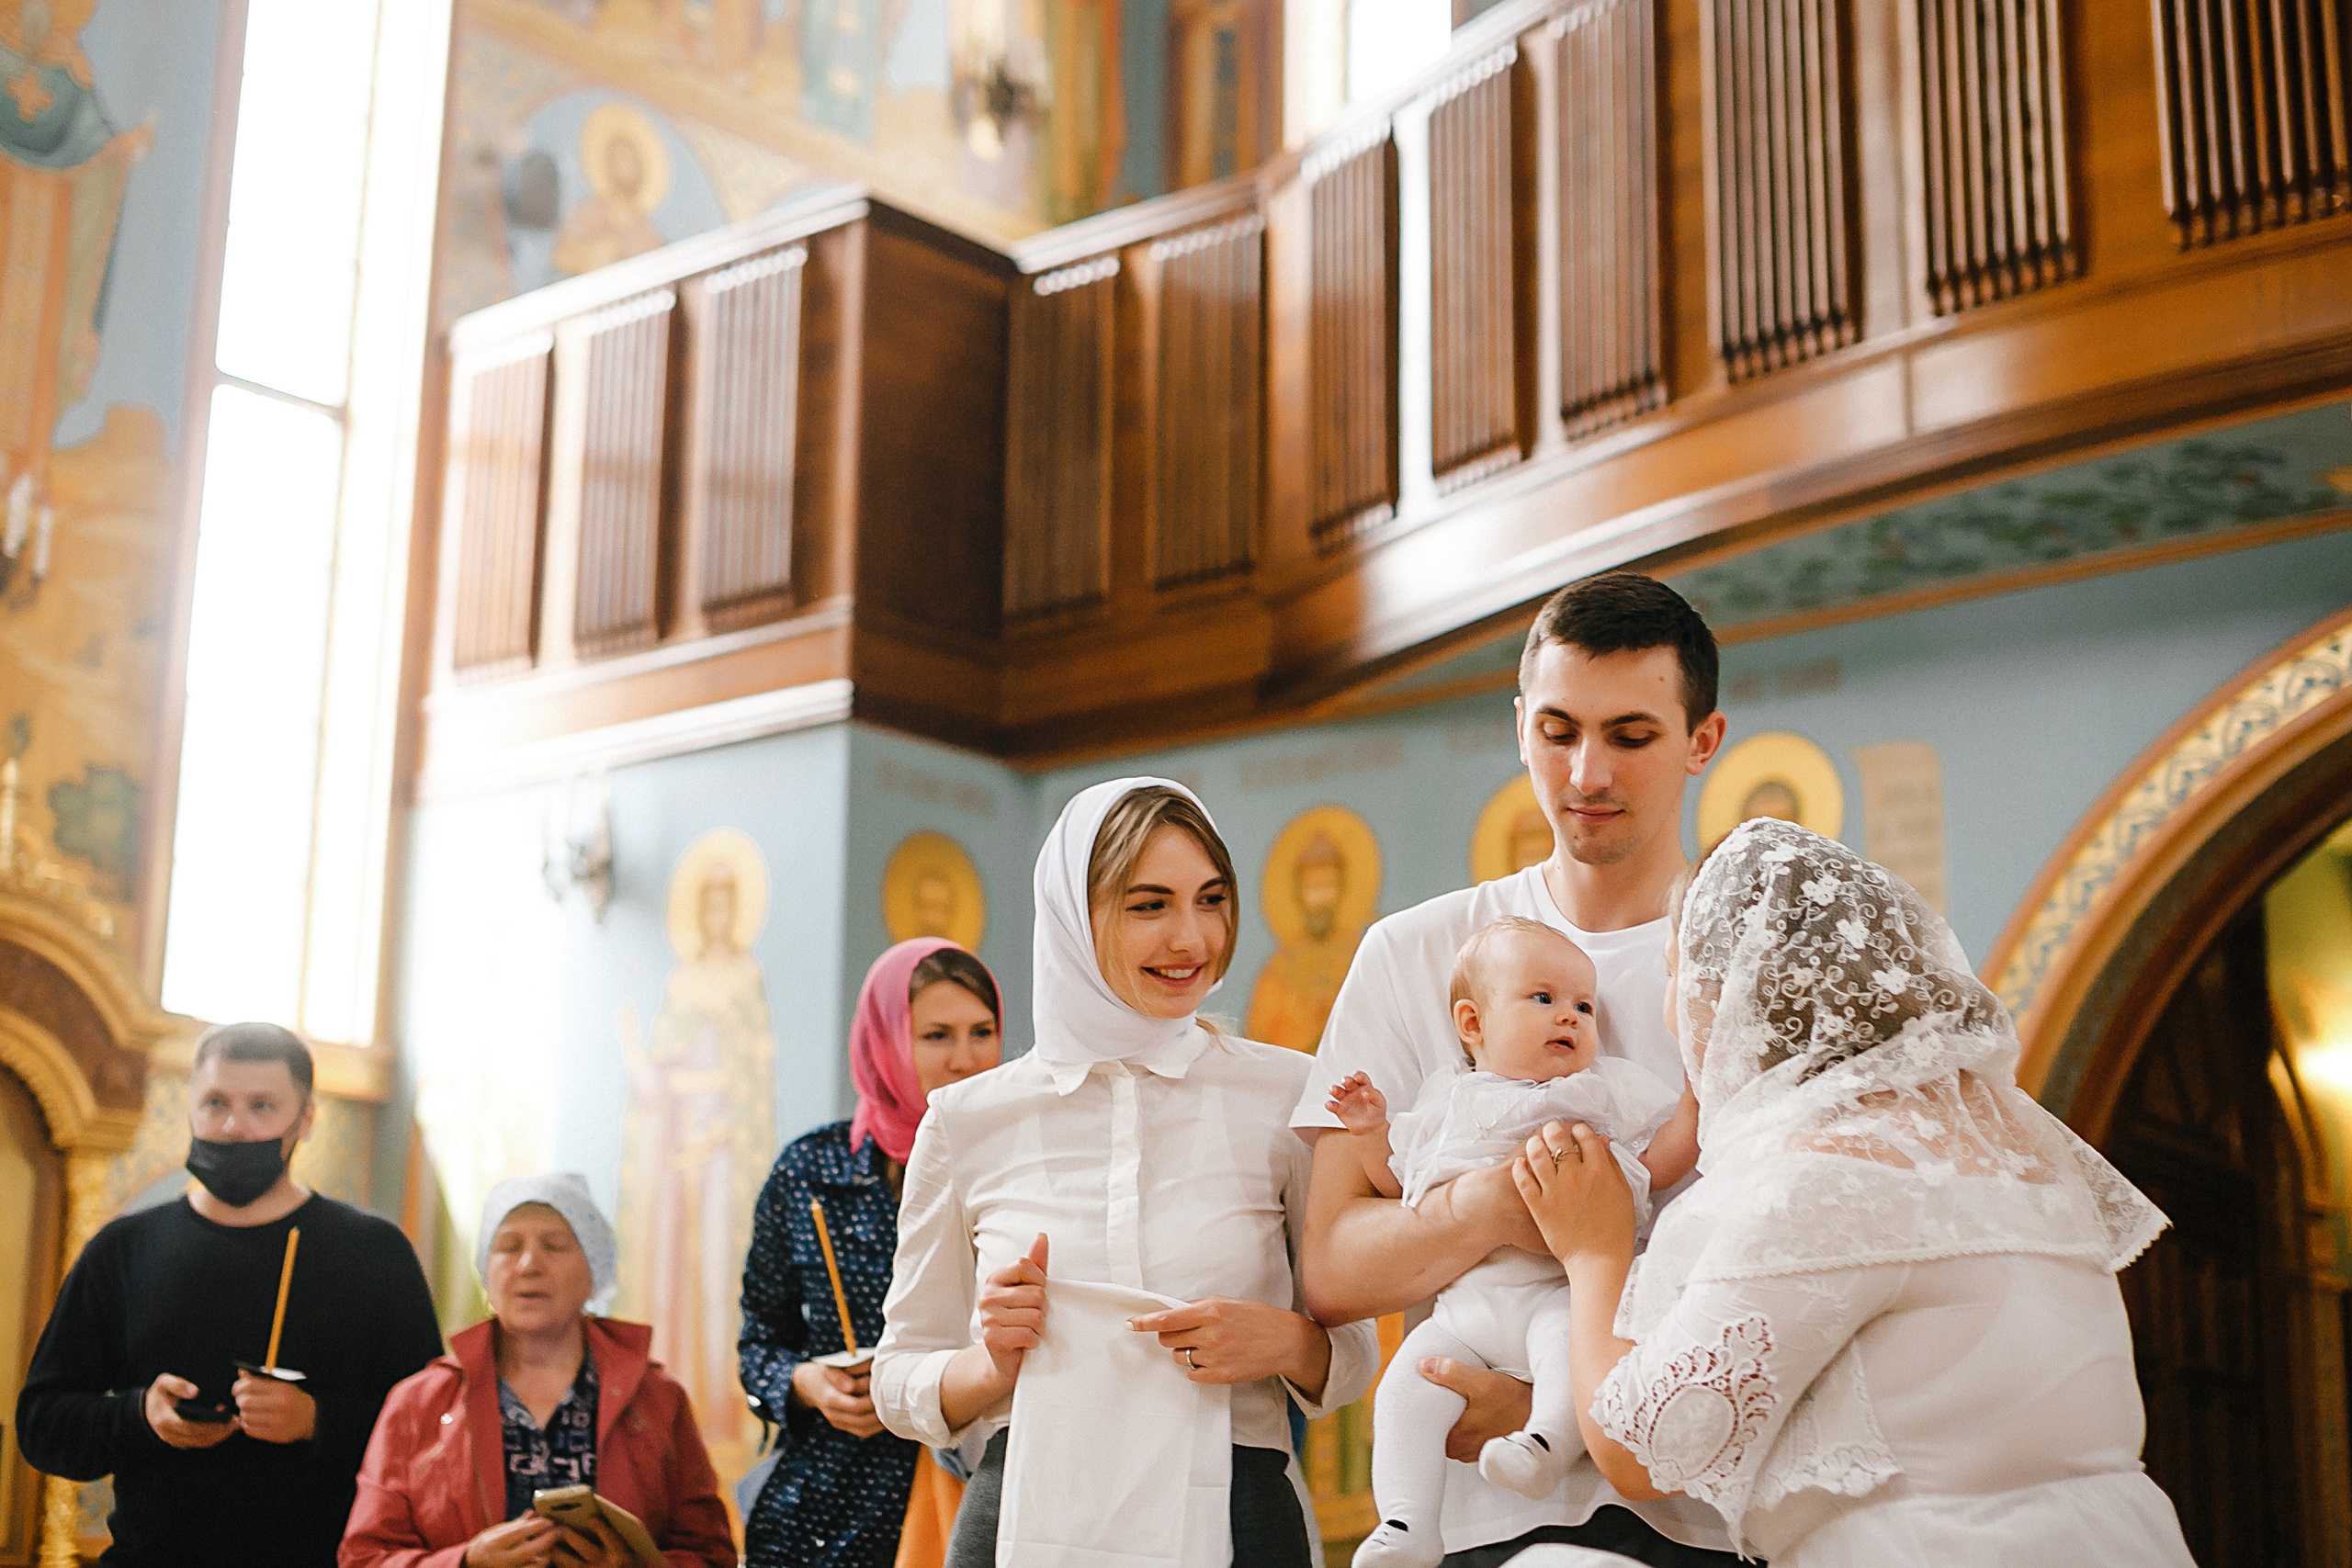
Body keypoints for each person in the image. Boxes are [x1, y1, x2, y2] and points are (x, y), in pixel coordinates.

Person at [1511, 818, 2195, 1567]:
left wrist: (1593, 1249)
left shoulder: (1832, 1170)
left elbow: (1641, 1445)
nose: (1671, 1012)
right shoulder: (2008, 1145)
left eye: (1678, 973)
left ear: (1733, 988)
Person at [1292, 571, 1740, 1568]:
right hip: (1473, 1517)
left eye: (1631, 736)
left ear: (1702, 741)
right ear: (1518, 726)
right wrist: (1508, 1203)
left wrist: (1576, 1385)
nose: (1587, 773)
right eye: (1556, 730)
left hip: (1708, 1508)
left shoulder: (1747, 956)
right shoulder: (1416, 952)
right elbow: (1328, 1267)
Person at [871, 779, 1382, 1568]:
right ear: (1075, 917)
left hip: (1237, 1512)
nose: (1192, 938)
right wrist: (989, 1361)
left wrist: (1285, 1341)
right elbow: (897, 1374)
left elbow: (1352, 1352)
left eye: (1210, 899)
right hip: (1026, 1505)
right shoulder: (968, 1119)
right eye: (1150, 905)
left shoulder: (1288, 1093)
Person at [1326, 919, 1695, 1568]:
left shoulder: (1599, 1088)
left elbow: (1658, 1163)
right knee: (1404, 1388)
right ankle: (1407, 1523)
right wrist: (1368, 1130)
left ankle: (1543, 1446)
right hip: (1464, 1311)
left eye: (1585, 1006)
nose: (1573, 1017)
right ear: (1473, 1024)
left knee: (1564, 1353)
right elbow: (1397, 1183)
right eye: (1544, 999)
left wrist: (1695, 1097)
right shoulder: (1445, 1096)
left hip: (1557, 1291)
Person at [17, 1021, 445, 1568]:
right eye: (214, 1102)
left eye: (262, 1106)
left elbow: (435, 1439)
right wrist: (140, 1415)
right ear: (190, 1106)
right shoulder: (123, 1248)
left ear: (305, 1118)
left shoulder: (375, 1253)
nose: (233, 1126)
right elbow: (43, 1425)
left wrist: (317, 1421)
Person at [739, 938, 1005, 1567]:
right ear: (884, 1042)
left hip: (972, 1490)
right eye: (936, 1034)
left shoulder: (1017, 1166)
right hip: (828, 1503)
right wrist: (806, 1383)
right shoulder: (810, 1170)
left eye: (983, 1031)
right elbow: (757, 1344)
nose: (965, 1058)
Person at [340, 1175, 734, 1568]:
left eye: (555, 1245)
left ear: (594, 1268)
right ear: (487, 1273)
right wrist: (465, 1563)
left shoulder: (659, 1400)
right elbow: (364, 1557)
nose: (529, 1264)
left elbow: (713, 1556)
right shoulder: (419, 1403)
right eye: (508, 1247)